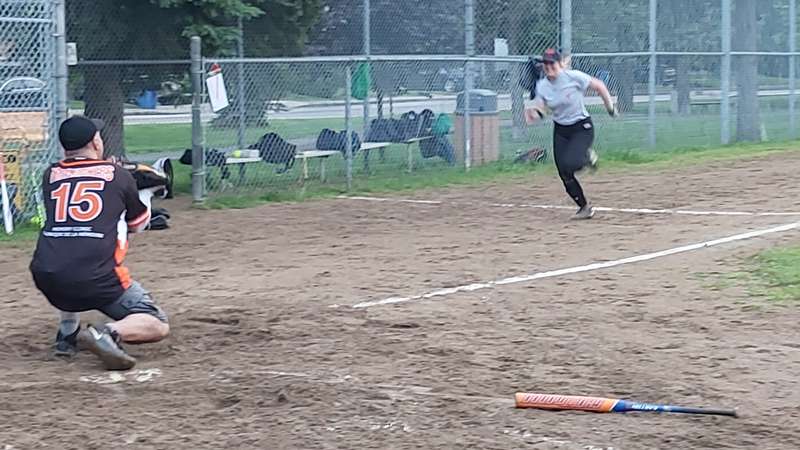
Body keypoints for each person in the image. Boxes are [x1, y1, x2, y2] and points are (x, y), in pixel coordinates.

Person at [29, 116, 169, 371]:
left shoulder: (50, 174)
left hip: (47, 278)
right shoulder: (118, 175)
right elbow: (137, 223)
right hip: (95, 281)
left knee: (69, 248)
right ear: (95, 141)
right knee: (156, 322)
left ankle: (66, 334)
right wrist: (146, 193)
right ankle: (106, 332)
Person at [525, 48, 618, 220]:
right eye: (545, 63)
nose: (548, 66)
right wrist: (533, 114)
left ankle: (587, 157)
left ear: (560, 64)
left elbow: (600, 86)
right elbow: (542, 109)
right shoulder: (542, 86)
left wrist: (610, 108)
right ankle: (584, 207)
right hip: (561, 130)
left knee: (572, 162)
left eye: (552, 63)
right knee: (564, 172)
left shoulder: (574, 77)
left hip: (581, 127)